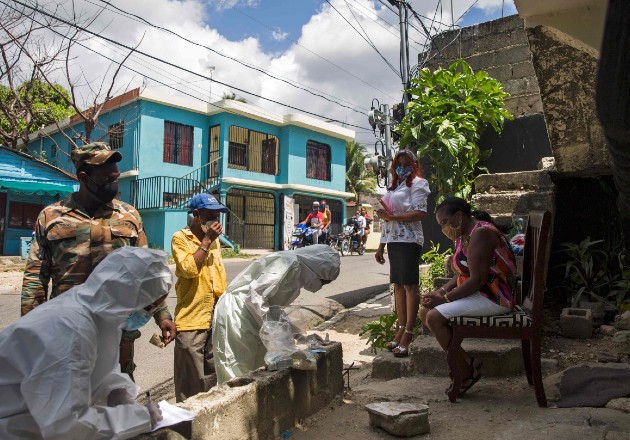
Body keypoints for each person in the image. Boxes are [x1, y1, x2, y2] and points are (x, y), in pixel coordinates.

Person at [20, 142, 176, 380]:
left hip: (118, 332)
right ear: (84, 178)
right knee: (67, 399)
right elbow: (35, 278)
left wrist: (162, 314)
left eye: (116, 178)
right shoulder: (51, 217)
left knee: (117, 399)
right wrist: (32, 332)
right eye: (107, 180)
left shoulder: (129, 216)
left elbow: (147, 274)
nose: (114, 184)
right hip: (67, 331)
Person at [0, 247, 170, 439]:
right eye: (150, 306)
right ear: (129, 297)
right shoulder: (71, 329)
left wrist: (115, 391)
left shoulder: (101, 315)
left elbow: (99, 368)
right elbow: (66, 426)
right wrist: (139, 418)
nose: (148, 314)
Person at [420, 197, 517, 395]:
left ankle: (464, 372)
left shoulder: (481, 233)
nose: (443, 228)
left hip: (495, 296)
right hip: (480, 292)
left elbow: (477, 280)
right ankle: (466, 364)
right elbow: (461, 274)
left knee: (433, 317)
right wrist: (441, 292)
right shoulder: (464, 235)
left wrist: (445, 299)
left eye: (445, 222)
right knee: (425, 312)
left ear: (459, 216)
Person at [212, 245, 340, 384]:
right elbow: (255, 296)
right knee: (236, 368)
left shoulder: (296, 274)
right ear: (316, 270)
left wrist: (299, 336)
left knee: (258, 369)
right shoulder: (288, 263)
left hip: (253, 316)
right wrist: (274, 334)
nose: (320, 286)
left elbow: (273, 309)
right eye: (323, 281)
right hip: (237, 314)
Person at [171, 194, 228, 402]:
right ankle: (188, 429)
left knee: (212, 378)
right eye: (211, 215)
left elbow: (219, 275)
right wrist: (206, 241)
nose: (216, 220)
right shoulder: (180, 238)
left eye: (218, 215)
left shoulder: (215, 242)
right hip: (191, 319)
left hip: (213, 318)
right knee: (190, 383)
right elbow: (188, 269)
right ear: (197, 215)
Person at [374, 149, 430, 358]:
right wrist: (381, 245)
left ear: (414, 166)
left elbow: (420, 213)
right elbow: (387, 219)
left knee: (409, 285)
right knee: (397, 285)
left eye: (407, 164)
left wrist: (392, 216)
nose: (402, 168)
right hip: (394, 241)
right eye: (399, 164)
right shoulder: (395, 186)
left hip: (409, 240)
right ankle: (400, 328)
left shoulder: (419, 184)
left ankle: (408, 332)